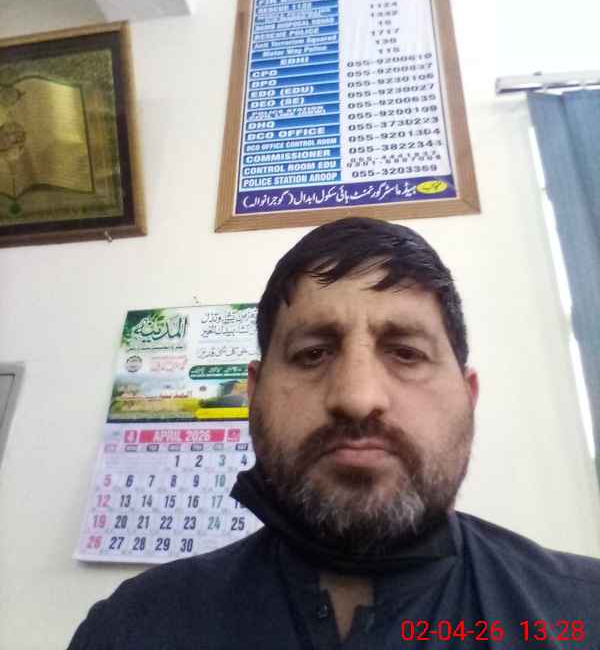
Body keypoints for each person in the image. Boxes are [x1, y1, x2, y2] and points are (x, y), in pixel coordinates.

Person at [68, 217, 600, 649]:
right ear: (253, 393)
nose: (357, 397)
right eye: (312, 354)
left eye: (406, 353)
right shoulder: (129, 628)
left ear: (469, 395)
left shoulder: (585, 614)